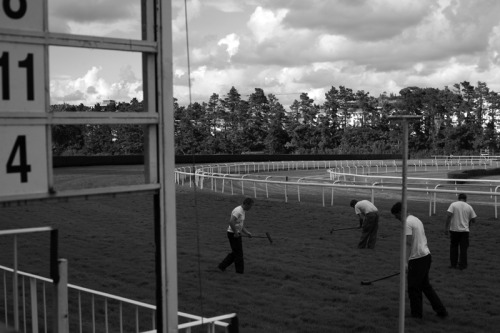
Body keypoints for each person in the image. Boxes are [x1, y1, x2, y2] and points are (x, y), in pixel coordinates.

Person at [391, 202, 448, 319]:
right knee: (425, 286)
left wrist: (405, 262)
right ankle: (441, 311)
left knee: (413, 288)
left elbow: (408, 243)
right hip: (426, 256)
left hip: (417, 259)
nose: (397, 219)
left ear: (401, 212)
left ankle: (416, 315)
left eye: (396, 216)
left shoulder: (407, 222)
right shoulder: (416, 219)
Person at [218, 198, 254, 274]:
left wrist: (247, 233)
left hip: (236, 233)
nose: (250, 208)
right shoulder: (238, 211)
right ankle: (239, 272)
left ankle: (222, 266)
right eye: (250, 206)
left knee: (236, 253)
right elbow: (231, 222)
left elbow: (240, 225)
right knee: (239, 254)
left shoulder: (243, 211)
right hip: (232, 234)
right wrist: (236, 233)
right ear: (246, 204)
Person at [444, 193, 477, 270]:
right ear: (466, 199)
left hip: (454, 230)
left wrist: (446, 228)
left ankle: (453, 264)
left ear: (458, 198)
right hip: (464, 231)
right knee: (463, 249)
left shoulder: (453, 205)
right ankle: (462, 265)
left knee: (453, 247)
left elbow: (448, 215)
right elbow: (474, 220)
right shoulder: (469, 207)